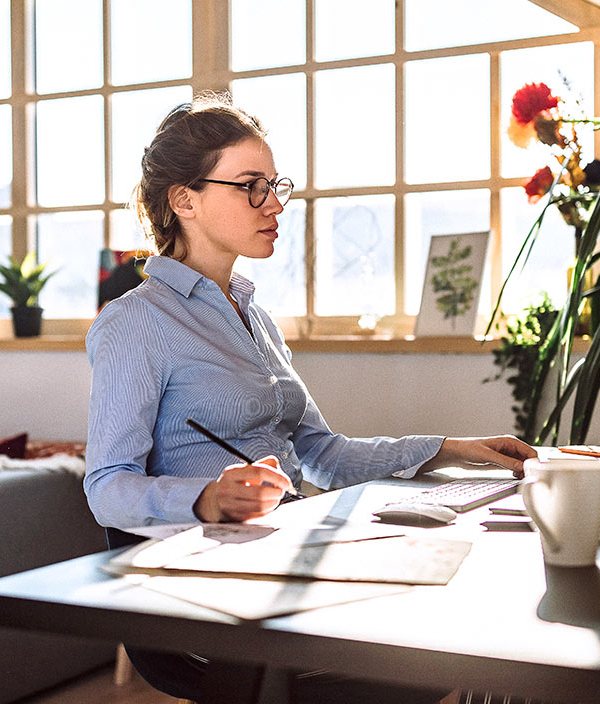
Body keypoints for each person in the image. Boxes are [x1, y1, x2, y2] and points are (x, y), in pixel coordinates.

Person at [84, 92, 536, 704]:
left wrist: (452, 448)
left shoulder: (255, 317)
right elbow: (107, 486)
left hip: (290, 558)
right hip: (210, 599)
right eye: (251, 187)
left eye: (275, 186)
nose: (274, 205)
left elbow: (324, 453)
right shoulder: (134, 323)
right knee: (460, 651)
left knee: (492, 614)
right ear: (184, 199)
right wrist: (207, 497)